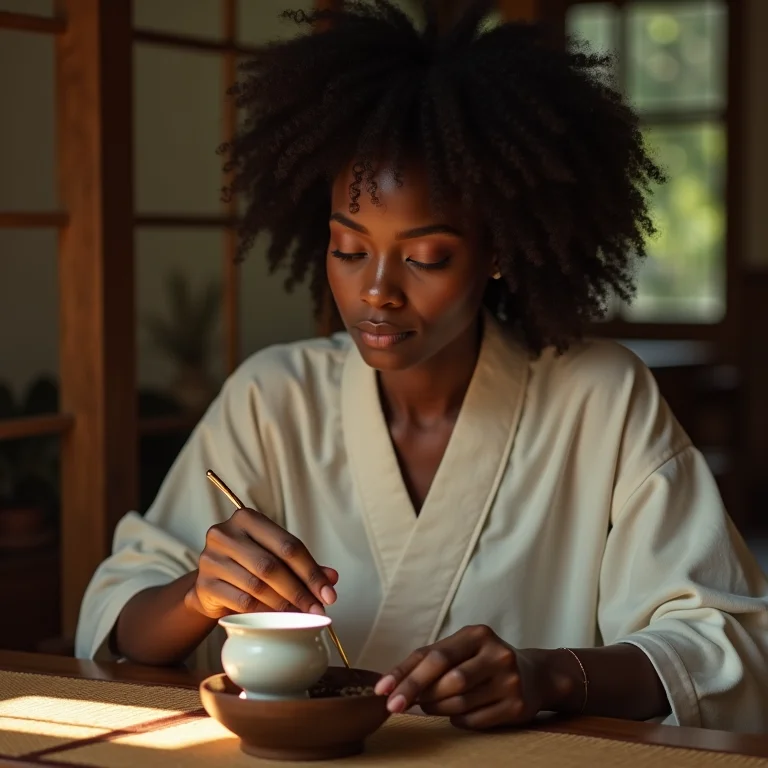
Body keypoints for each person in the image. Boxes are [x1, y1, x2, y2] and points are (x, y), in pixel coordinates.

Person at [75, 0, 768, 733]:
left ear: (498, 250)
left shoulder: (598, 398)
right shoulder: (273, 398)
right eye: (348, 249)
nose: (377, 290)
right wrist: (197, 596)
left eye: (426, 257)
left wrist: (553, 673)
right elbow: (117, 620)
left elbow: (730, 647)